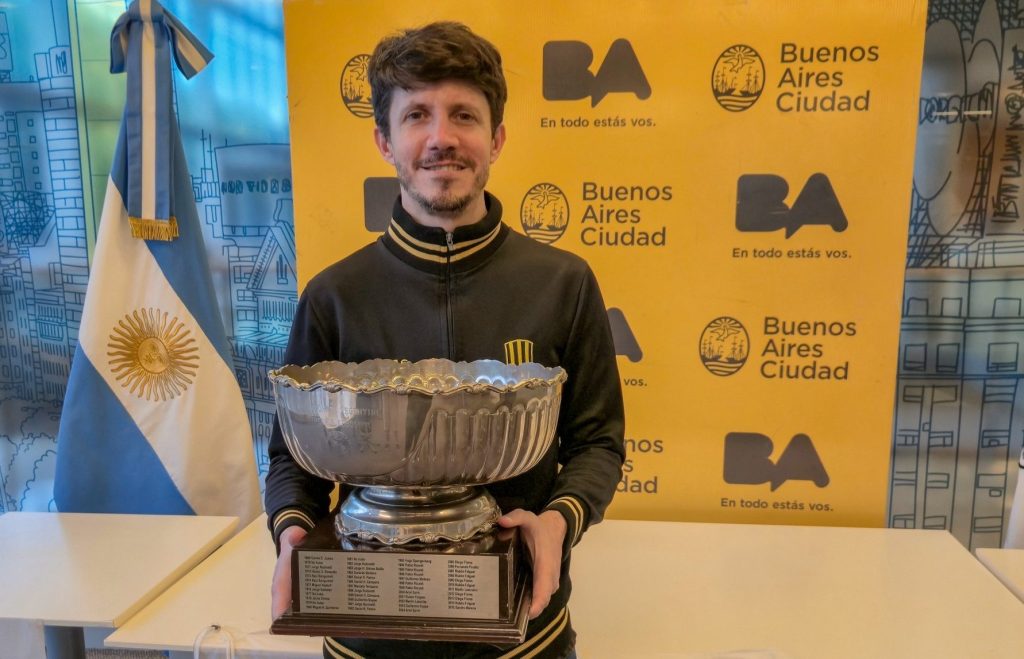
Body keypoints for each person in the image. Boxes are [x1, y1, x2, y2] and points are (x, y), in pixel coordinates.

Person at [265, 21, 625, 659]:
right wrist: (293, 532)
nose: (442, 138)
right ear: (384, 140)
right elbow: (294, 459)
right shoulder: (333, 295)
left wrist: (558, 520)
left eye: (464, 115)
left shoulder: (563, 283)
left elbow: (598, 441)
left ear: (497, 138)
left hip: (526, 640)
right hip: (365, 643)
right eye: (417, 116)